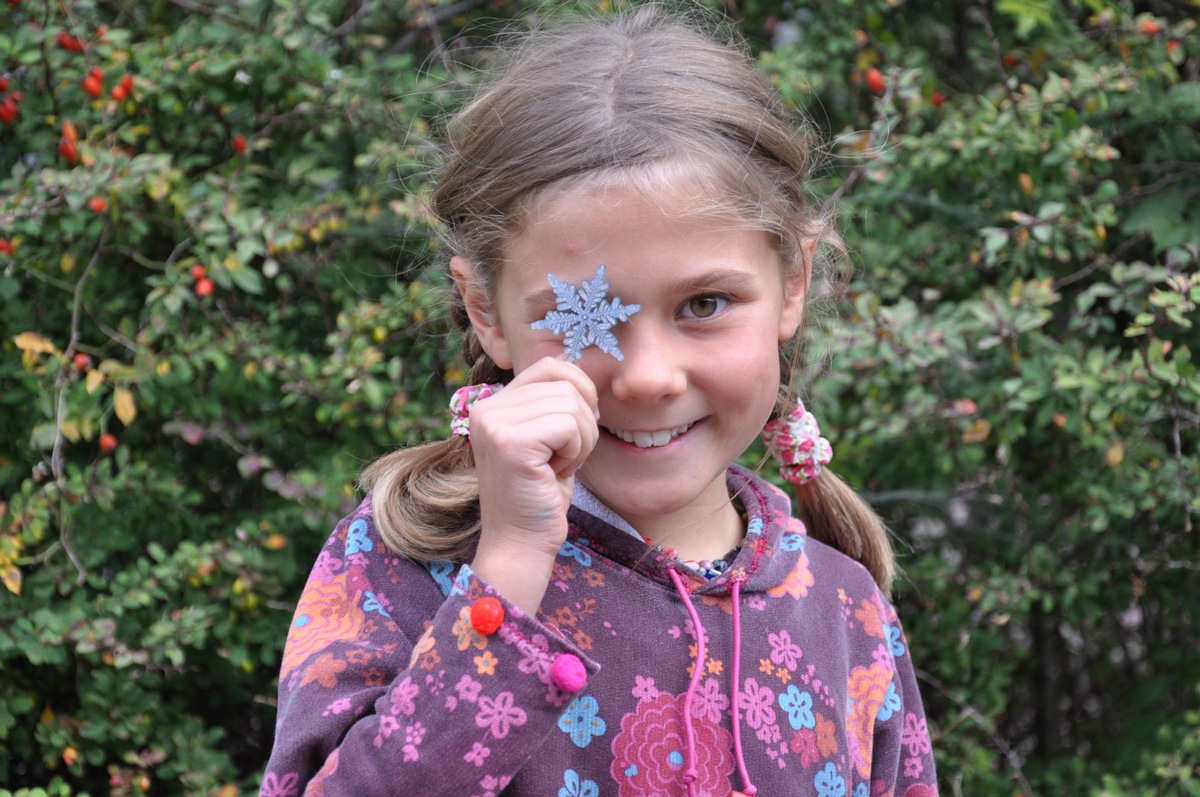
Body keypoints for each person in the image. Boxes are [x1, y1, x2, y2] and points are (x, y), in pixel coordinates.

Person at [261, 6, 939, 796]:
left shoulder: (846, 612)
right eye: (585, 317)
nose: (648, 376)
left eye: (706, 303)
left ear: (793, 283)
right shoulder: (401, 568)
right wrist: (508, 573)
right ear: (486, 309)